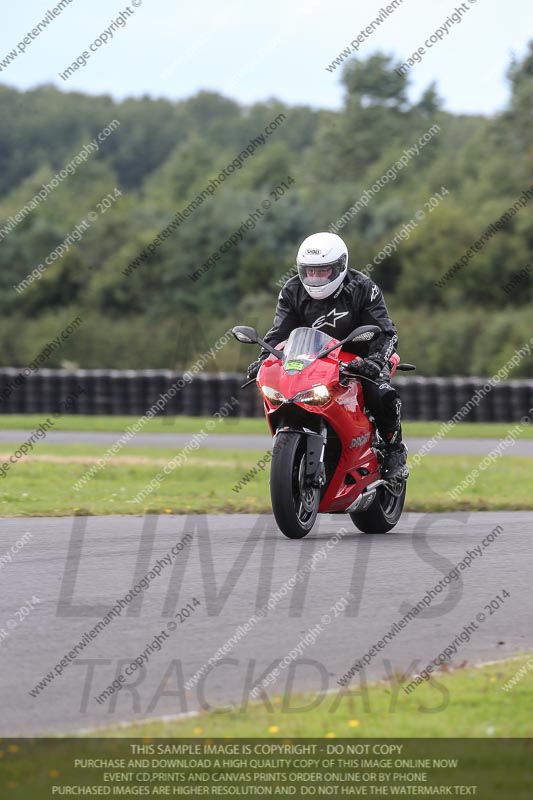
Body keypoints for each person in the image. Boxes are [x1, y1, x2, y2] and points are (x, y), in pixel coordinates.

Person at [246, 231, 408, 478]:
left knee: (381, 393)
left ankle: (394, 448)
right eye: (310, 271)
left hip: (361, 357)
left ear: (339, 267)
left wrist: (375, 361)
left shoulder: (363, 288)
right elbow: (279, 333)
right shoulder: (292, 291)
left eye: (322, 271)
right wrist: (262, 360)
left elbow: (387, 332)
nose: (315, 277)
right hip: (314, 360)